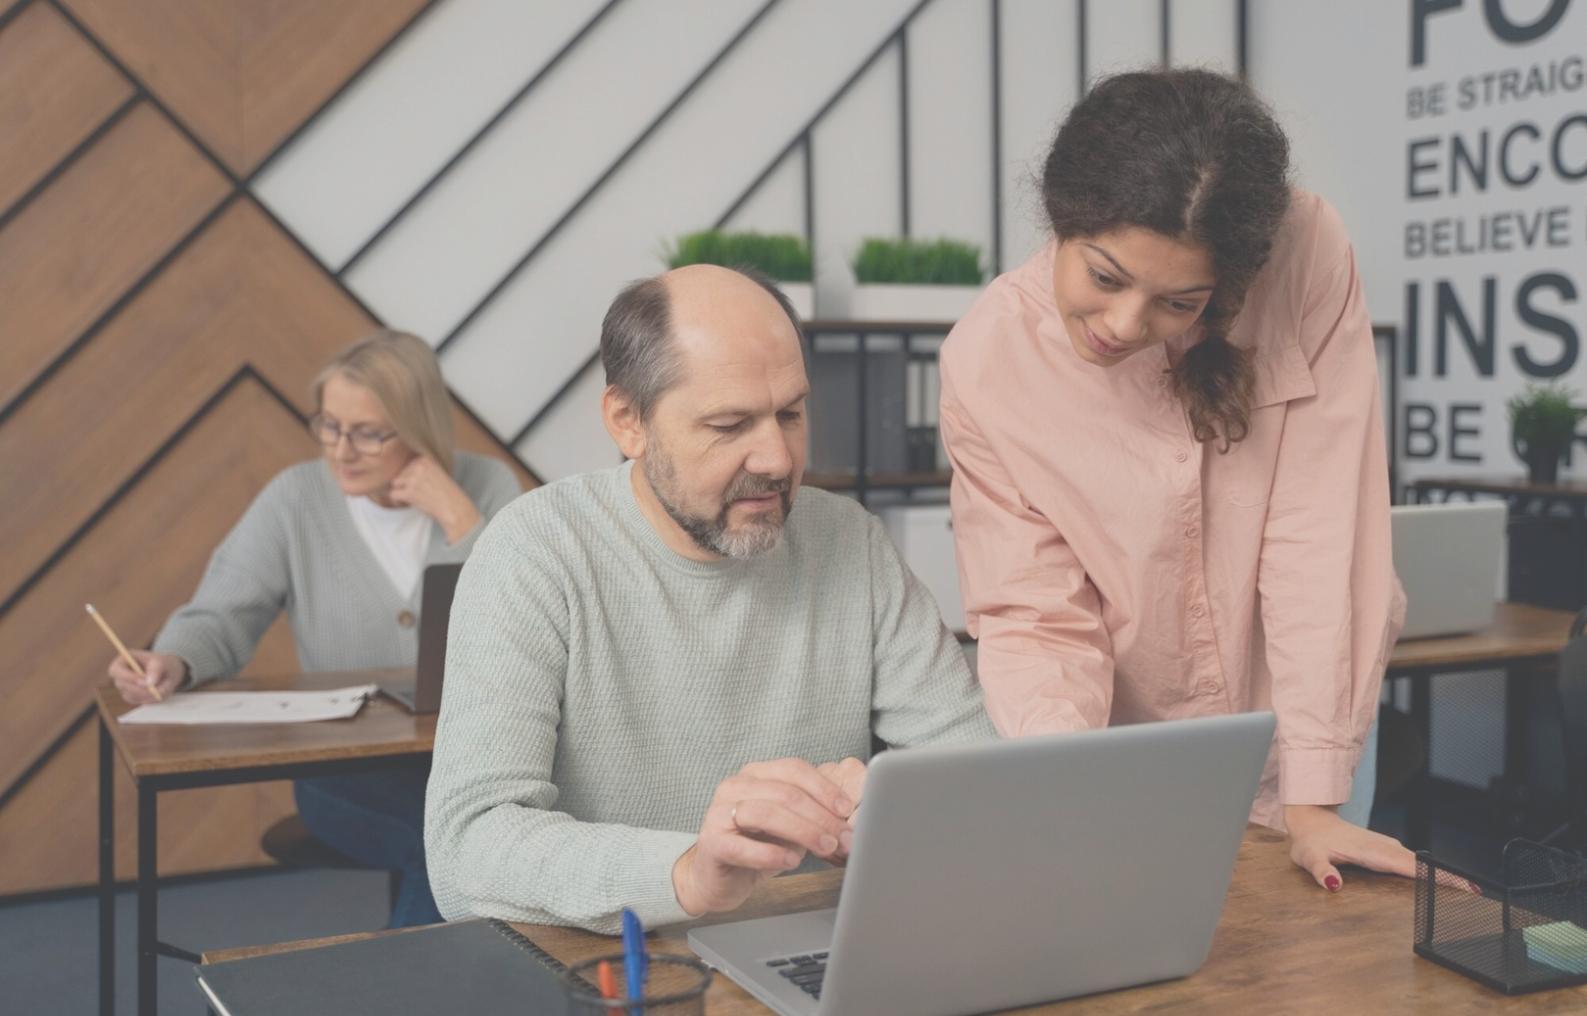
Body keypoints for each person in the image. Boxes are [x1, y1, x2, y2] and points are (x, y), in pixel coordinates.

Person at [939, 69, 1409, 892]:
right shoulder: (987, 362)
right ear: (1063, 218)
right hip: (1122, 760)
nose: (1123, 326)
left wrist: (1312, 793)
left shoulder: (1304, 252)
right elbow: (1036, 614)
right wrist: (1069, 788)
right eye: (1105, 277)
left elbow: (1319, 530)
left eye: (1178, 302)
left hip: (1307, 730)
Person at [424, 265, 995, 933]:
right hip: (619, 971)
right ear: (626, 422)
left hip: (819, 947)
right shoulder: (535, 550)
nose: (778, 459)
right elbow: (466, 852)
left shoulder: (848, 541)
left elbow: (979, 775)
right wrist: (687, 874)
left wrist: (908, 809)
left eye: (790, 413)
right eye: (729, 425)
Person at [105, 330, 521, 926]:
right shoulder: (295, 500)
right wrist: (174, 657)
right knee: (448, 846)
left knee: (481, 842)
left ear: (420, 427)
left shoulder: (487, 488)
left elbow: (527, 619)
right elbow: (224, 609)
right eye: (329, 425)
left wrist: (461, 520)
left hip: (470, 759)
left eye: (368, 433)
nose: (342, 450)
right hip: (343, 771)